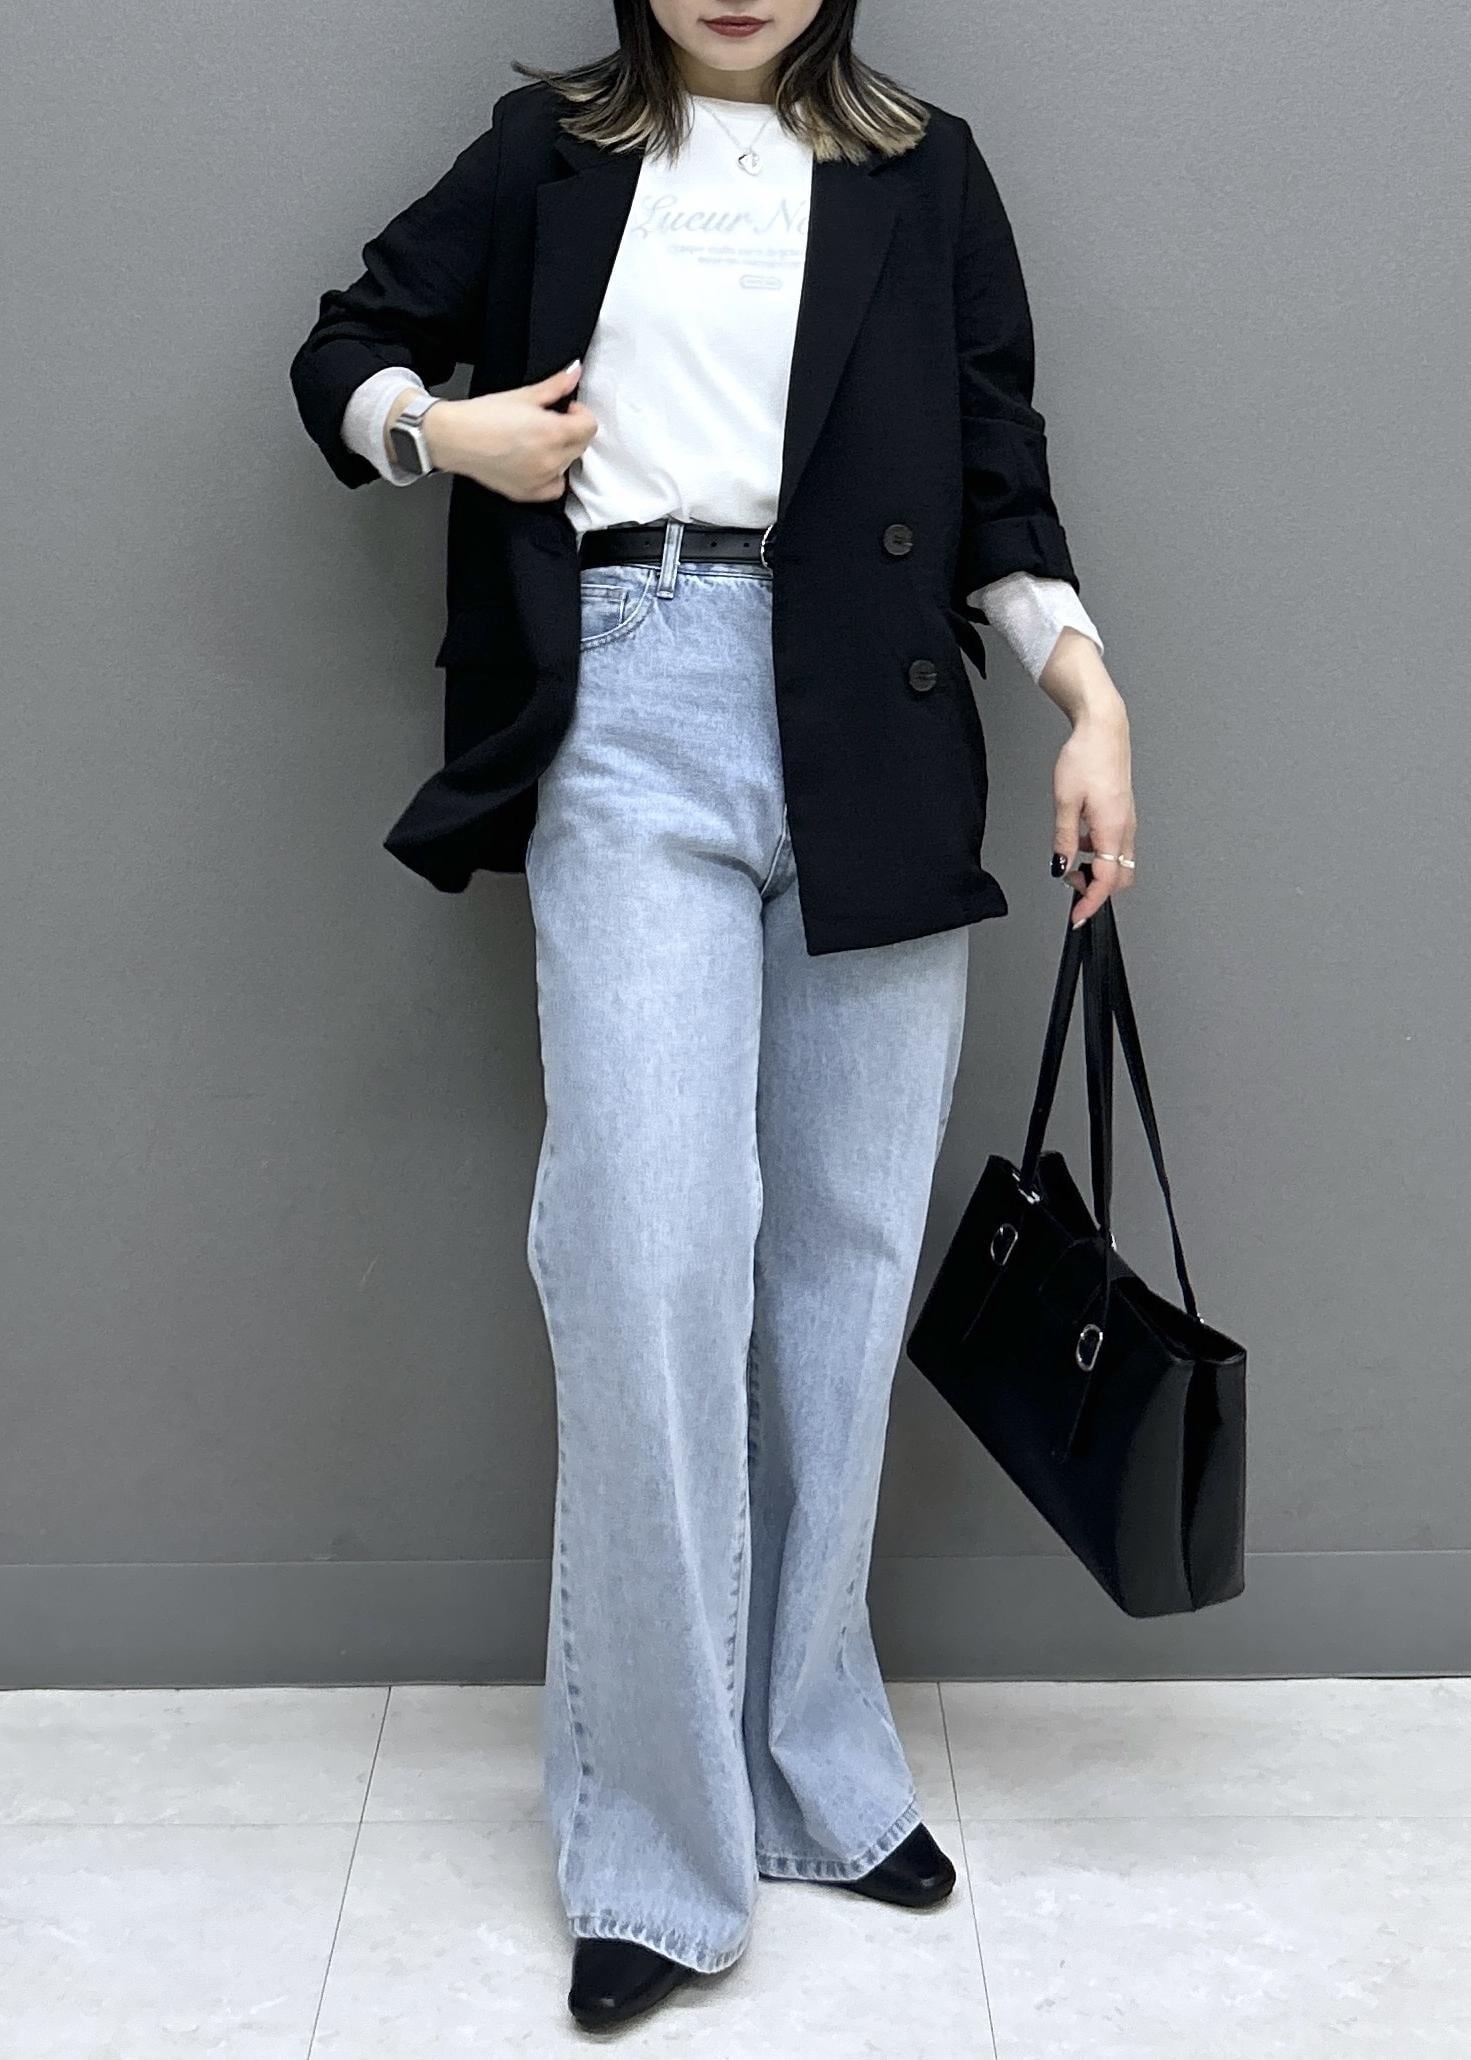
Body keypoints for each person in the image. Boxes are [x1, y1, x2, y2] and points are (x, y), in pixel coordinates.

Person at [290, 0, 1136, 2032]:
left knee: (838, 1272)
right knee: (648, 1254)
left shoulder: (923, 166)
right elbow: (344, 349)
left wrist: (1089, 693)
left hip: (877, 727)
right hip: (626, 701)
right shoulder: (550, 150)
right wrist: (447, 434)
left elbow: (999, 478)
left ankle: (815, 1772)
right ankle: (652, 1851)